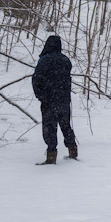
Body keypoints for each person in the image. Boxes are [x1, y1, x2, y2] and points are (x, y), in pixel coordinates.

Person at [32, 35, 78, 165]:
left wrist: (40, 96)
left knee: (49, 127)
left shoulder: (44, 60)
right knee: (65, 124)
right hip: (63, 99)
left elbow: (36, 79)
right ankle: (72, 149)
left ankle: (51, 155)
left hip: (48, 100)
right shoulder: (65, 60)